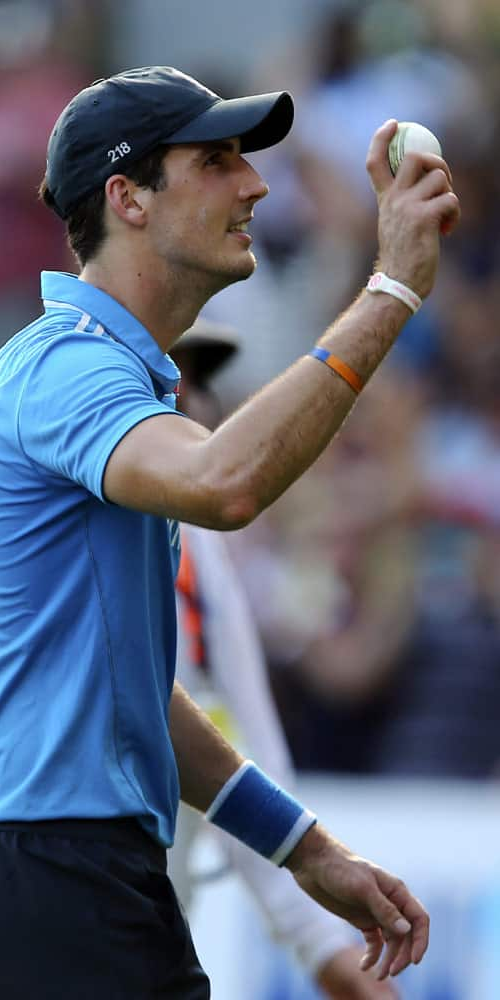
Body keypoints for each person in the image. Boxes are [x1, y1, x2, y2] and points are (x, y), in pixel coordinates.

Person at [0, 66, 458, 999]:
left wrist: (304, 851)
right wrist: (391, 287)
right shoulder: (68, 367)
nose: (256, 186)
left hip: (8, 882)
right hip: (53, 881)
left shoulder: (77, 371)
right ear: (128, 198)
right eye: (217, 160)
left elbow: (134, 696)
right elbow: (227, 484)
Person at [170, 319, 397, 999]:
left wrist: (328, 953)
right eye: (177, 389)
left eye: (205, 389)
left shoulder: (201, 557)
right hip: (36, 911)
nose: (201, 408)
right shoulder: (60, 524)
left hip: (137, 933)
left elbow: (242, 760)